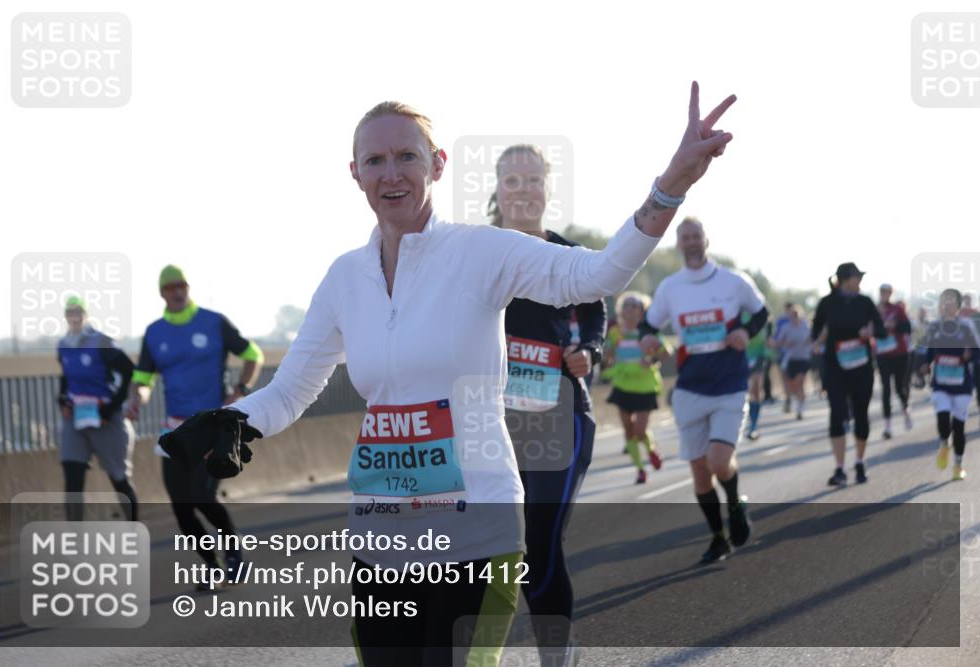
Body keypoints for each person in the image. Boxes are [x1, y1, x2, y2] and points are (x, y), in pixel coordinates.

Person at [161, 85, 736, 666]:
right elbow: (292, 389)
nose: (392, 174)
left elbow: (598, 275)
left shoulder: (480, 252)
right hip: (380, 540)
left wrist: (672, 184)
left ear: (437, 164)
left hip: (475, 534)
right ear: (355, 174)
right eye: (375, 161)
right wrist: (235, 419)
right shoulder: (343, 279)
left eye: (407, 156)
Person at [487, 142, 607, 664]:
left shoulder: (568, 257)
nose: (524, 190)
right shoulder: (475, 252)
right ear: (496, 189)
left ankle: (556, 654)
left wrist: (589, 350)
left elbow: (597, 311)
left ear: (547, 187)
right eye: (513, 181)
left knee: (538, 541)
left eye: (533, 180)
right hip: (491, 420)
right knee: (485, 545)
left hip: (559, 415)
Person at [639, 217, 768, 565]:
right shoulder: (670, 288)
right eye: (685, 238)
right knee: (699, 472)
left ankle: (736, 503)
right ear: (679, 244)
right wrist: (649, 340)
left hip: (729, 383)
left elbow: (761, 313)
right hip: (690, 386)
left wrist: (744, 331)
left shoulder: (733, 281)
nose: (692, 242)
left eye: (696, 236)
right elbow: (647, 326)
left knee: (718, 461)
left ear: (706, 241)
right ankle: (717, 538)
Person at [124, 265, 263, 586]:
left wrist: (240, 390)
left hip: (212, 427)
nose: (177, 290)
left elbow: (252, 353)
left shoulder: (213, 322)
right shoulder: (154, 332)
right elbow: (143, 379)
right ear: (162, 293)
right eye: (171, 286)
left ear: (188, 287)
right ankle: (212, 564)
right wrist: (137, 399)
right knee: (181, 508)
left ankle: (232, 553)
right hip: (175, 431)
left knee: (201, 495)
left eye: (182, 284)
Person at [57, 295, 138, 522]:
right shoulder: (63, 345)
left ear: (85, 314)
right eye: (69, 312)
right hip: (76, 417)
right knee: (72, 476)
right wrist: (62, 399)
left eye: (78, 312)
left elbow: (128, 370)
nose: (74, 317)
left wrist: (111, 408)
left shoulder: (101, 341)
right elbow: (66, 377)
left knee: (119, 478)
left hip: (106, 417)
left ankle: (134, 528)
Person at [811, 263, 886, 487]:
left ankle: (860, 462)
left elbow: (881, 330)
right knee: (837, 412)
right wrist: (821, 335)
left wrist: (870, 332)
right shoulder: (827, 303)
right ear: (845, 279)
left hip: (862, 367)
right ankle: (839, 468)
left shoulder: (864, 302)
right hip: (835, 366)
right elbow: (815, 330)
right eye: (856, 277)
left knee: (861, 414)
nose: (860, 281)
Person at [603, 291, 668, 483]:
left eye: (634, 306)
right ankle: (640, 469)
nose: (629, 309)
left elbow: (666, 353)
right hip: (623, 384)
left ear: (642, 311)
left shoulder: (648, 331)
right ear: (621, 310)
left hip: (645, 385)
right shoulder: (615, 332)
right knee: (628, 430)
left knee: (640, 431)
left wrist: (653, 360)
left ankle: (651, 450)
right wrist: (607, 355)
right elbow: (607, 357)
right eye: (626, 305)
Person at [920, 289, 980, 481]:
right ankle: (944, 444)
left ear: (958, 306)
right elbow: (925, 350)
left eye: (951, 302)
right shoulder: (934, 326)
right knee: (943, 421)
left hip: (962, 385)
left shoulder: (966, 327)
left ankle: (958, 465)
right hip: (941, 384)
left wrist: (970, 355)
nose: (947, 305)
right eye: (944, 301)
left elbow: (978, 352)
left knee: (959, 428)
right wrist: (922, 365)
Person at [875, 283, 913, 439]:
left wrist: (894, 325)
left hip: (899, 353)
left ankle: (905, 408)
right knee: (885, 389)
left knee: (899, 387)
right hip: (883, 354)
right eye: (882, 292)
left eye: (887, 292)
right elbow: (871, 329)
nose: (884, 294)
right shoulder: (875, 311)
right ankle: (888, 427)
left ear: (891, 293)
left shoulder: (898, 309)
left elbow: (907, 328)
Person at [774, 304, 813, 420]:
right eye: (792, 316)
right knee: (793, 386)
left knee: (800, 382)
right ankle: (795, 401)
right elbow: (779, 342)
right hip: (791, 359)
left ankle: (800, 409)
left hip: (803, 359)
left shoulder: (806, 326)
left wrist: (809, 343)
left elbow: (812, 339)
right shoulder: (786, 328)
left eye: (796, 315)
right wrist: (786, 344)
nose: (795, 318)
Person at [744, 311, 768, 440]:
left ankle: (754, 423)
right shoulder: (737, 312)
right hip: (742, 356)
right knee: (747, 390)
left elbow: (767, 337)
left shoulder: (759, 312)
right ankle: (749, 418)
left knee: (756, 388)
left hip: (758, 356)